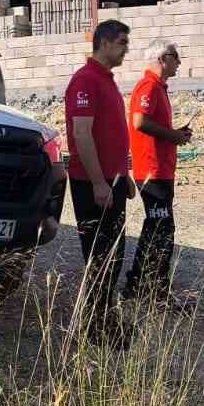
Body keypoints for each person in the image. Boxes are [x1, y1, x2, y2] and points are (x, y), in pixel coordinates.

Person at [65, 19, 134, 332]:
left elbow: (110, 134)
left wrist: (124, 175)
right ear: (104, 43)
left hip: (111, 181)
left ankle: (104, 320)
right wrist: (97, 182)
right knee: (101, 256)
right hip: (94, 184)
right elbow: (82, 134)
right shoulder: (85, 81)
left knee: (114, 256)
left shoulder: (106, 80)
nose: (125, 49)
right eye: (121, 42)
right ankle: (94, 327)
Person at [124, 38, 194, 306]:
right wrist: (173, 136)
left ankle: (140, 285)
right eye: (176, 56)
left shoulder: (159, 88)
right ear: (163, 58)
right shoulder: (149, 86)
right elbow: (139, 121)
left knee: (157, 227)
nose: (179, 62)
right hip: (152, 170)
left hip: (160, 169)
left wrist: (175, 134)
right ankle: (155, 291)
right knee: (162, 229)